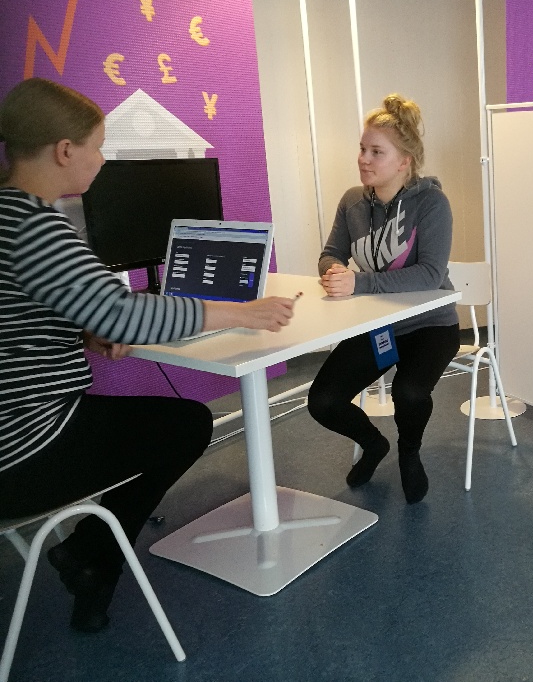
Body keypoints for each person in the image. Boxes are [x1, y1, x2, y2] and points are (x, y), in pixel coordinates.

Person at [0, 78, 295, 632]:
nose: (102, 159)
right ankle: (92, 554)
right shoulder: (37, 229)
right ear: (65, 151)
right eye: (97, 146)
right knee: (187, 425)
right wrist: (241, 313)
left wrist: (85, 332)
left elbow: (22, 321)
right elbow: (124, 314)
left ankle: (91, 559)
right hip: (24, 447)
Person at [306, 94, 458, 504]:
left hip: (432, 323)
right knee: (323, 400)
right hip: (379, 326)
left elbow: (429, 274)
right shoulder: (352, 202)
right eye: (362, 149)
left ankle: (409, 451)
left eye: (377, 152)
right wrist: (333, 271)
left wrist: (359, 284)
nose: (364, 159)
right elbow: (331, 253)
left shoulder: (431, 203)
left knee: (409, 394)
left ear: (404, 160)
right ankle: (375, 444)